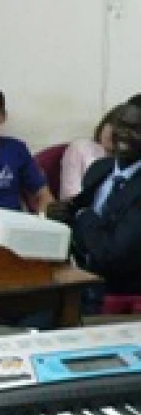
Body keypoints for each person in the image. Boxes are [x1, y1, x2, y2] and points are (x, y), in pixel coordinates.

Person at [48, 96, 141, 313]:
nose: (124, 134)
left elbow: (110, 254)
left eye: (136, 129)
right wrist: (60, 214)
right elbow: (75, 217)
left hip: (114, 290)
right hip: (74, 275)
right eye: (121, 125)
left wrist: (82, 215)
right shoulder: (100, 169)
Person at [59, 106, 119, 199]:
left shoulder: (129, 160)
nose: (112, 133)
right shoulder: (80, 148)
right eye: (111, 124)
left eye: (119, 129)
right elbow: (70, 195)